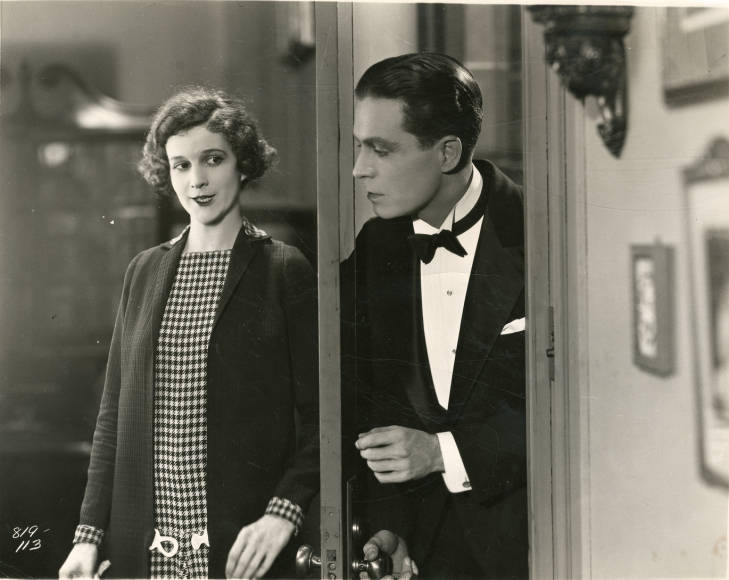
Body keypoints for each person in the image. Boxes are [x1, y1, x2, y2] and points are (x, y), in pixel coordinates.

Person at [58, 87, 319, 579]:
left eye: (212, 159)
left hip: (240, 551)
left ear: (243, 163)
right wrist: (87, 536)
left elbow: (324, 420)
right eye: (180, 165)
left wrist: (282, 513)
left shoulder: (285, 269)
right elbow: (112, 416)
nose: (196, 180)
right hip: (145, 552)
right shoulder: (144, 270)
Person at [342, 53, 527, 579]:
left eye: (381, 149)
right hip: (418, 552)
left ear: (447, 152)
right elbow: (369, 399)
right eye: (359, 146)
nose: (359, 169)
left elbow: (577, 411)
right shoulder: (377, 246)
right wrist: (389, 526)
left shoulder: (542, 235)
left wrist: (445, 452)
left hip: (529, 546)